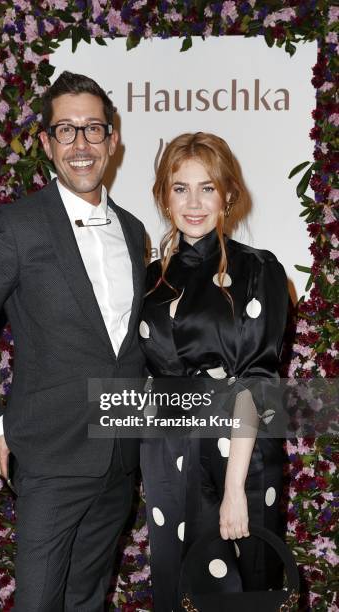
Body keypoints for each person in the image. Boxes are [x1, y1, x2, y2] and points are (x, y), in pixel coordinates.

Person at [0, 71, 146, 612]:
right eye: (66, 130)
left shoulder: (133, 231)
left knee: (86, 601)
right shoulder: (18, 227)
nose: (81, 144)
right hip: (50, 458)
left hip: (119, 459)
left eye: (93, 129)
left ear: (113, 139)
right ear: (47, 143)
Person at [139, 132, 289, 611]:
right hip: (166, 455)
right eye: (180, 188)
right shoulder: (149, 280)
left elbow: (256, 382)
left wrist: (233, 490)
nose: (194, 202)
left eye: (207, 187)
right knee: (176, 586)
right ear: (164, 196)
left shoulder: (257, 270)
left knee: (235, 590)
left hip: (235, 456)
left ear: (227, 194)